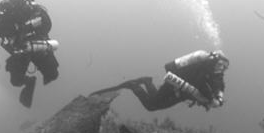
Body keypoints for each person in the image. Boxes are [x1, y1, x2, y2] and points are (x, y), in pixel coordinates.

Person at [0, 0, 59, 108]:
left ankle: (42, 100)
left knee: (52, 74)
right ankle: (29, 82)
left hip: (37, 46)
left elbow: (46, 24)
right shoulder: (0, 23)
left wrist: (27, 30)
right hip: (21, 52)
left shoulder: (27, 13)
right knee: (16, 80)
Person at [92, 50, 229, 111]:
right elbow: (200, 84)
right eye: (221, 65)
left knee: (154, 101)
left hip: (179, 90)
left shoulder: (213, 72)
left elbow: (219, 84)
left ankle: (147, 81)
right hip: (175, 85)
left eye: (224, 67)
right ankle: (134, 85)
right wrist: (211, 98)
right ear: (215, 61)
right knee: (151, 106)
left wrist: (219, 97)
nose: (221, 69)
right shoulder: (203, 68)